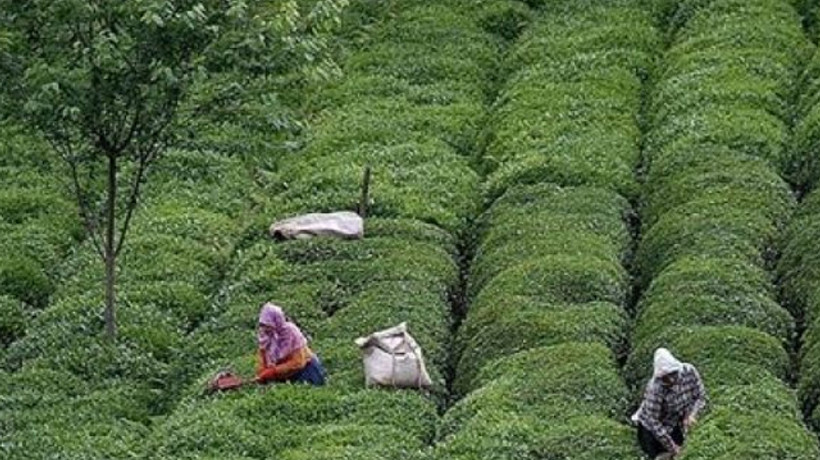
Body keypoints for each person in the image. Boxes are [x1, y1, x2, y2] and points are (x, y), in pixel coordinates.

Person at [631, 348, 706, 459]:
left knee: (681, 450)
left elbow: (700, 397)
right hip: (651, 430)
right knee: (661, 455)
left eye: (672, 375)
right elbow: (654, 423)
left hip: (673, 421)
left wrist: (691, 415)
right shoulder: (655, 388)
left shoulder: (689, 371)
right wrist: (673, 447)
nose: (670, 380)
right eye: (665, 378)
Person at [255, 302, 326, 386]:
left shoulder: (290, 332)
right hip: (284, 375)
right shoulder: (265, 336)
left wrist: (274, 371)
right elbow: (262, 356)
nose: (264, 328)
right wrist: (262, 373)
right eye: (262, 324)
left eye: (267, 324)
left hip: (305, 371)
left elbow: (298, 362)